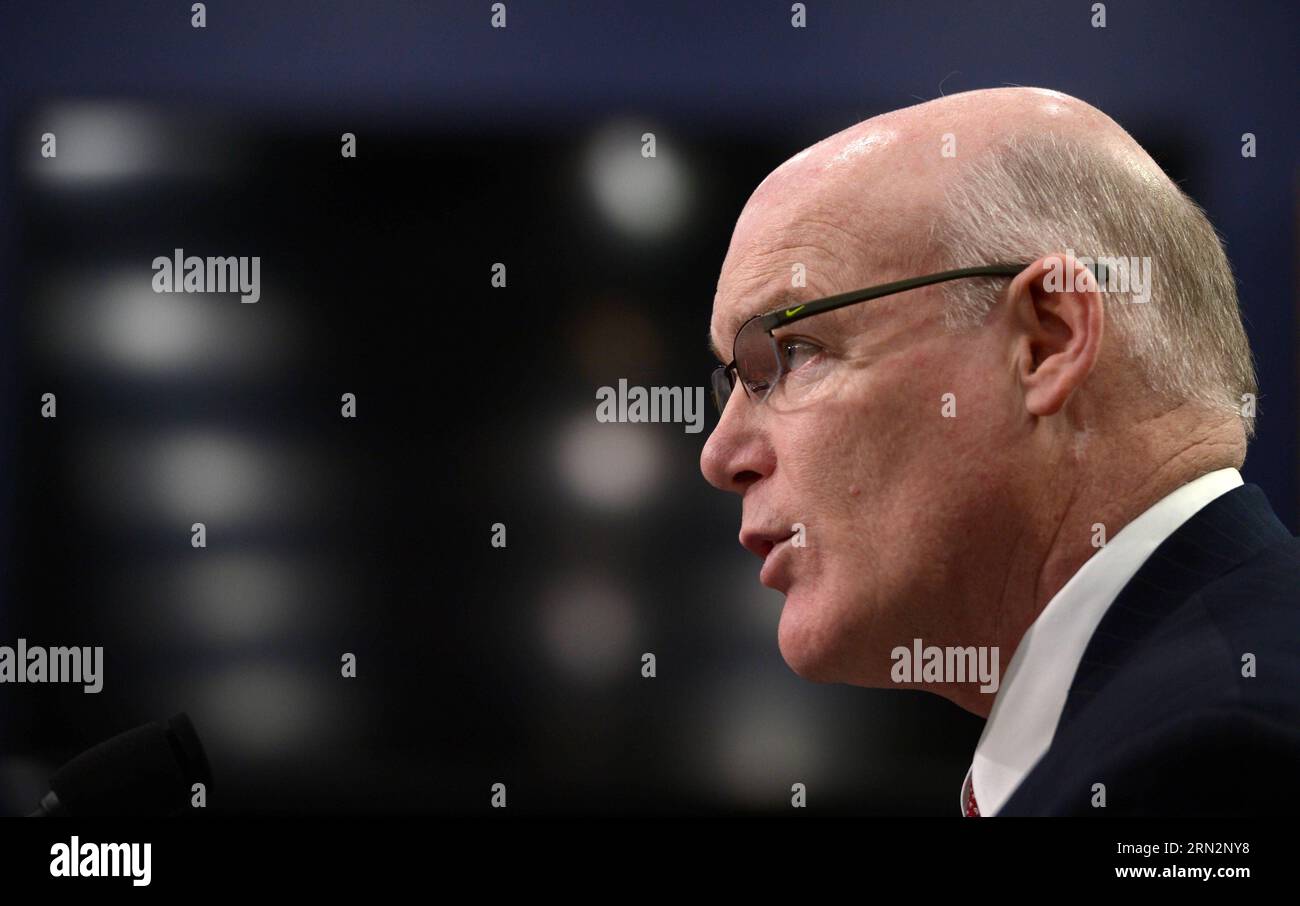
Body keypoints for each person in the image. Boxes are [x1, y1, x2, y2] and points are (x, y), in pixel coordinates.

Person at [700, 87, 1300, 816]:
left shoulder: (1212, 763)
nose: (720, 452)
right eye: (735, 379)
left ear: (1047, 340)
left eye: (792, 352)